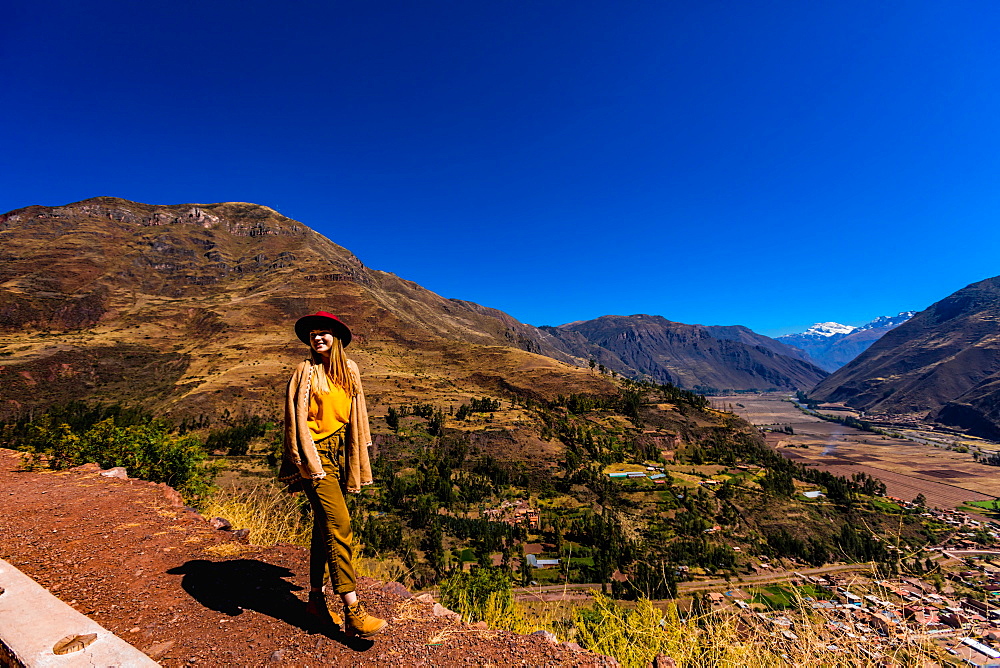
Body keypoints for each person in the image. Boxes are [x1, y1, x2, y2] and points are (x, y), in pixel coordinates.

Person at [279, 311, 387, 638]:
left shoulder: (349, 370)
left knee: (323, 526)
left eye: (324, 332)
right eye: (313, 334)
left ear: (336, 337)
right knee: (340, 524)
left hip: (340, 452)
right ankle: (353, 610)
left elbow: (357, 414)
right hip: (315, 453)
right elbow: (292, 419)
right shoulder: (304, 371)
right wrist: (307, 460)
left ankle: (314, 599)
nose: (318, 338)